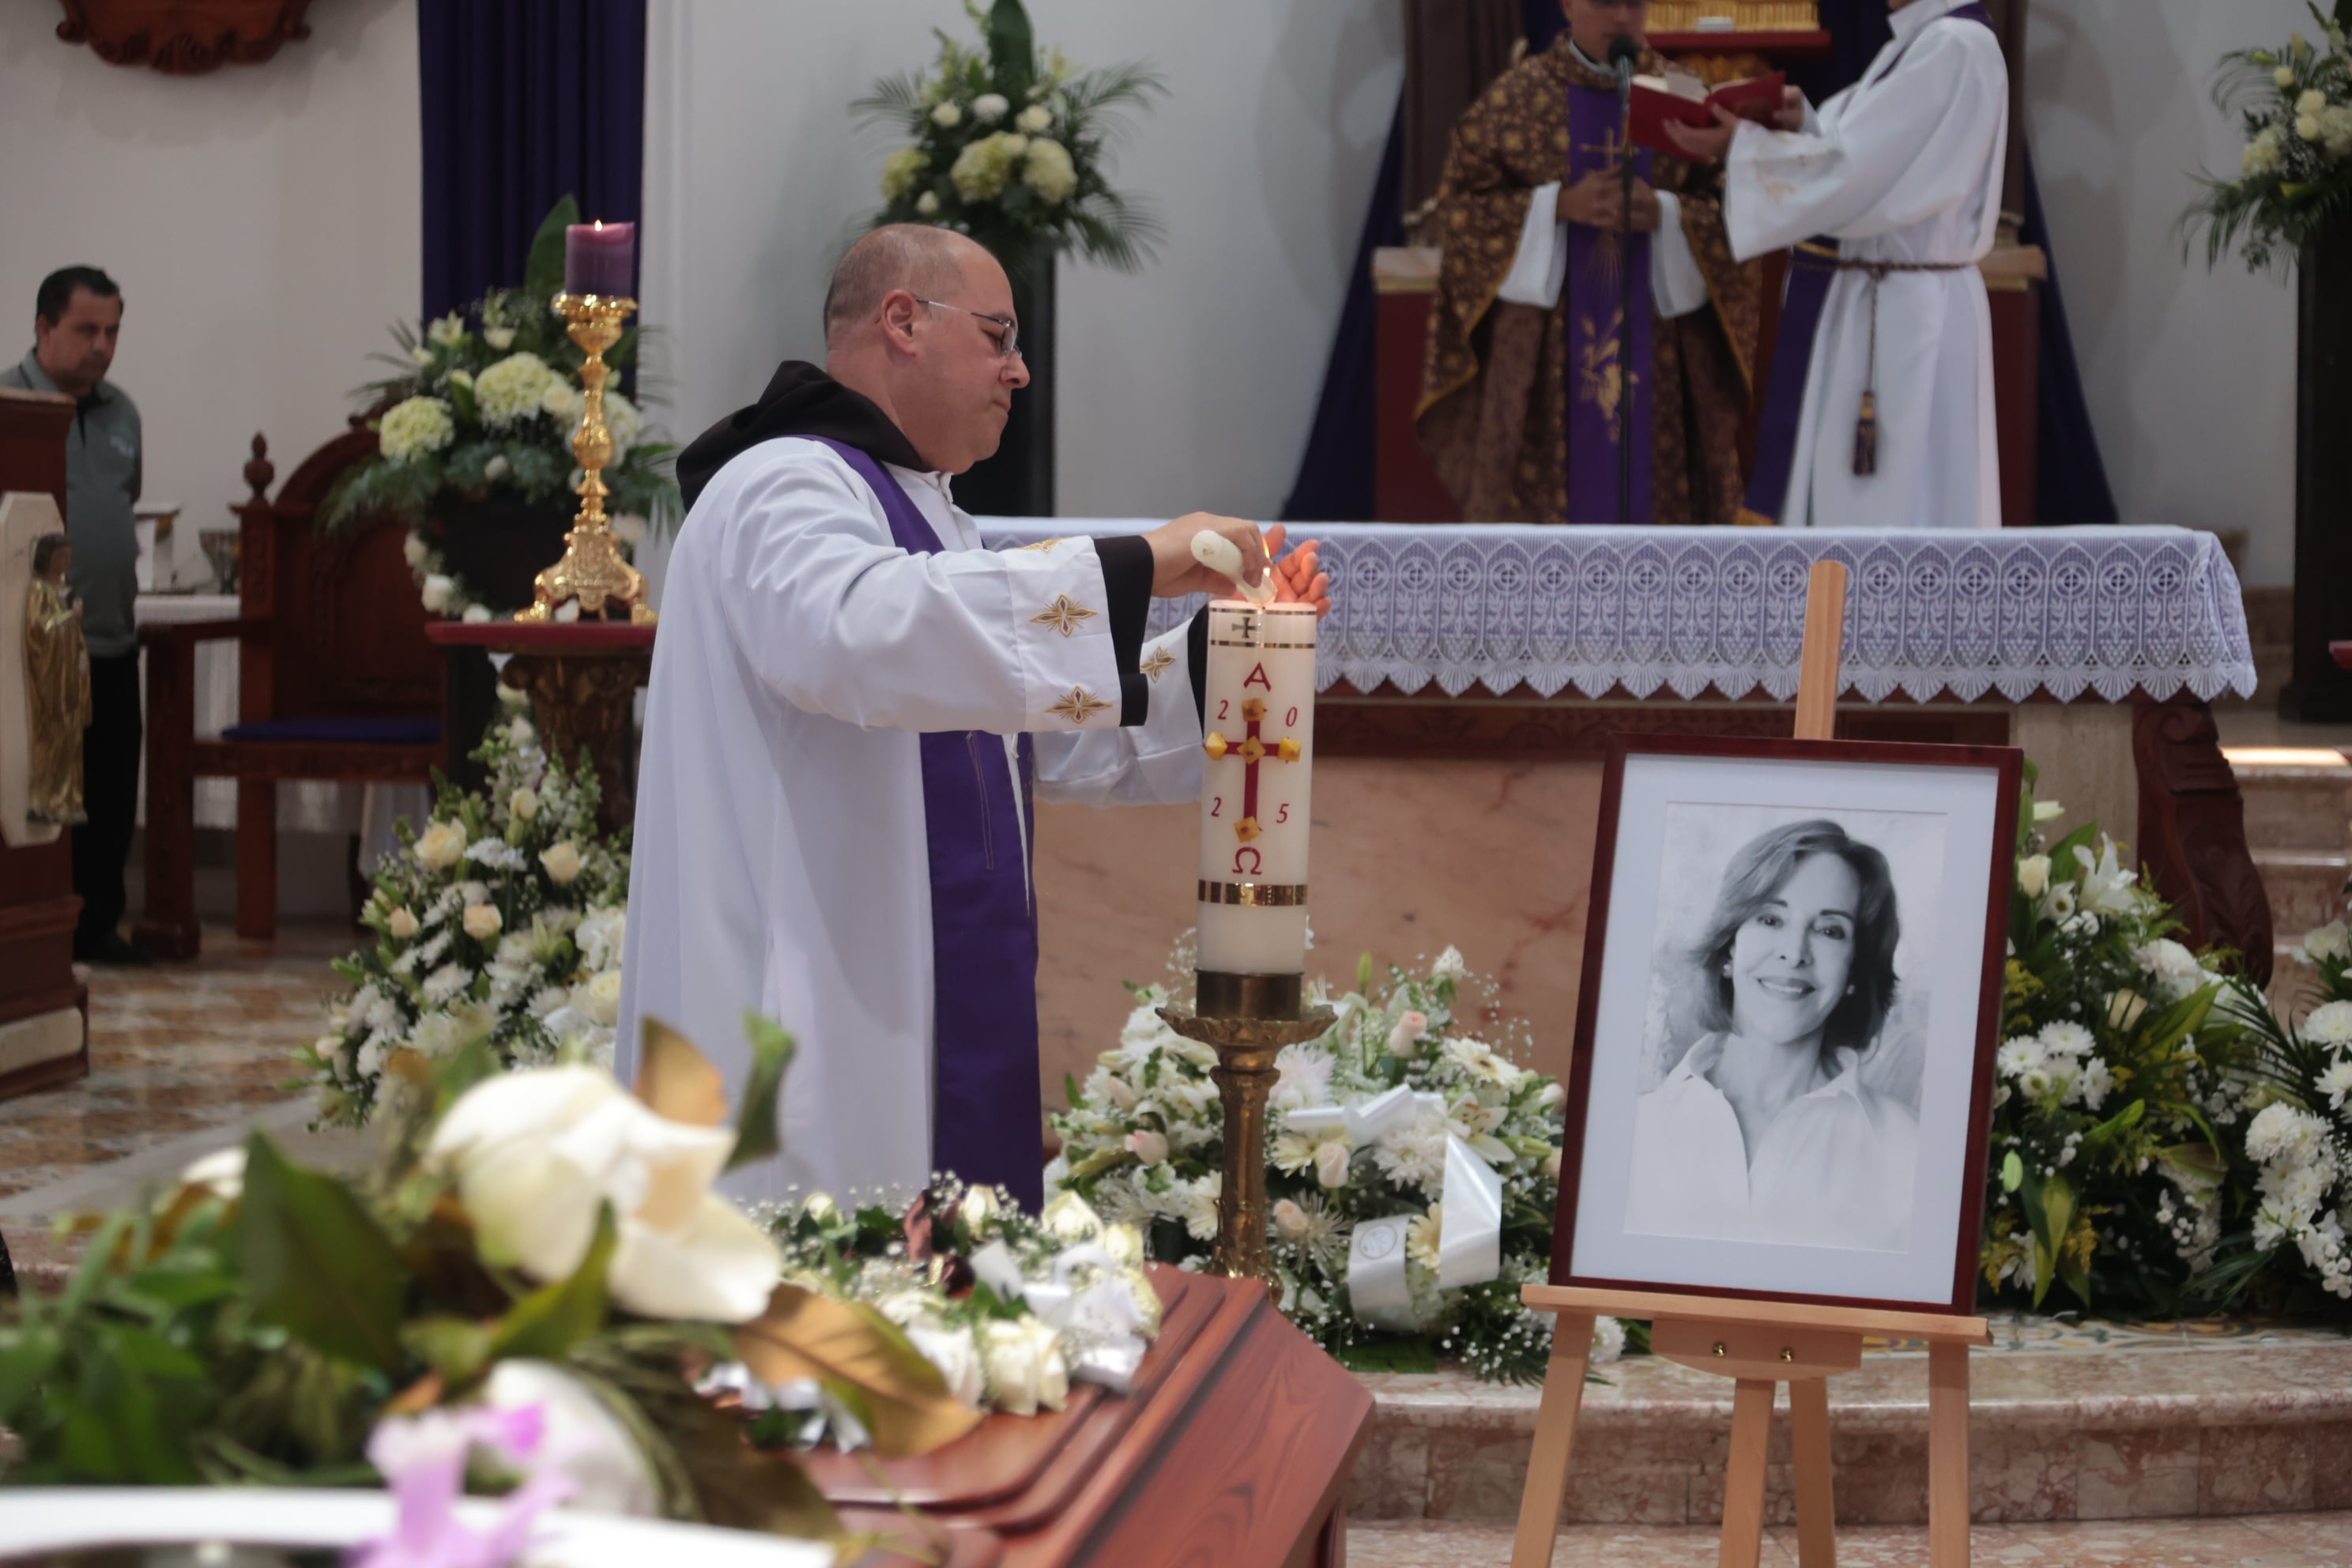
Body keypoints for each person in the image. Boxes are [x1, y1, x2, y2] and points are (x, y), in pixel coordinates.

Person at [620, 225, 1330, 1209]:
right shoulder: (779, 483)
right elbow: (859, 637)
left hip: (899, 1001)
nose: (1020, 369)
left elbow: (1049, 729)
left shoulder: (929, 516)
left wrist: (1238, 645)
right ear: (902, 320)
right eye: (999, 336)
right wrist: (1139, 559)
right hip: (805, 996)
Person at [1665, 0, 2008, 529]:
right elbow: (1860, 153)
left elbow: (1856, 174)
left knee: (1896, 504)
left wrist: (1745, 145)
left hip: (1906, 314)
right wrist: (1801, 122)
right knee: (1853, 503)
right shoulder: (1917, 42)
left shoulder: (1955, 47)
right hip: (1876, 297)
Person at [1417, 0, 1762, 526]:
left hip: (1661, 350)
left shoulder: (1685, 97)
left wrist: (1668, 214)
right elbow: (1461, 213)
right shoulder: (1517, 98)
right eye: (1604, 3)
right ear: (1569, 4)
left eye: (1635, 4)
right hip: (1545, 353)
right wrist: (1554, 206)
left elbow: (1739, 217)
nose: (1622, 19)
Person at [1623, 819, 1919, 1251]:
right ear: (1729, 948)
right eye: (1770, 918)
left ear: (1855, 969)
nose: (1794, 952)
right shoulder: (1633, 1133)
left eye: (1829, 930)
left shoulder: (1910, 1150)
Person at [2, 267, 149, 962]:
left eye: (113, 331)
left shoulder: (123, 413)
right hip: (32, 650)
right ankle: (37, 933)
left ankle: (97, 928)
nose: (102, 346)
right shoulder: (9, 406)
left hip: (112, 640)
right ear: (43, 328)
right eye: (87, 329)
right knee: (39, 794)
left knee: (112, 791)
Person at [24, 533, 92, 827]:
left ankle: (68, 799)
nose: (67, 561)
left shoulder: (64, 588)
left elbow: (74, 635)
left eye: (69, 556)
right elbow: (40, 632)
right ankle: (45, 799)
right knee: (53, 740)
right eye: (61, 556)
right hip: (52, 680)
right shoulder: (40, 590)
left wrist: (81, 662)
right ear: (48, 557)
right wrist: (69, 618)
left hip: (70, 678)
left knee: (72, 740)